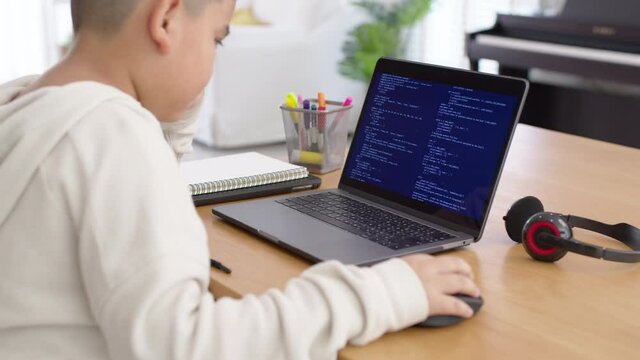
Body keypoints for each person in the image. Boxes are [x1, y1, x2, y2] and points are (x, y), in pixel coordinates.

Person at [0, 0, 481, 358]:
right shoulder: (112, 136)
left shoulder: (27, 106)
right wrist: (384, 292)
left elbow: (124, 216)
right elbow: (187, 346)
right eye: (217, 38)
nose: (215, 59)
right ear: (165, 19)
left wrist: (170, 114)